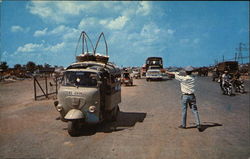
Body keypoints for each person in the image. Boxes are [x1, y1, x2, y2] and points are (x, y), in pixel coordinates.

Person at [167, 66, 202, 132]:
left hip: (185, 96)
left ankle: (184, 125)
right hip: (192, 96)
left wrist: (167, 72)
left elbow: (174, 74)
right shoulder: (193, 78)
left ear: (186, 72)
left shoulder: (182, 78)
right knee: (195, 110)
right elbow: (193, 75)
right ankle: (198, 124)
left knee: (184, 110)